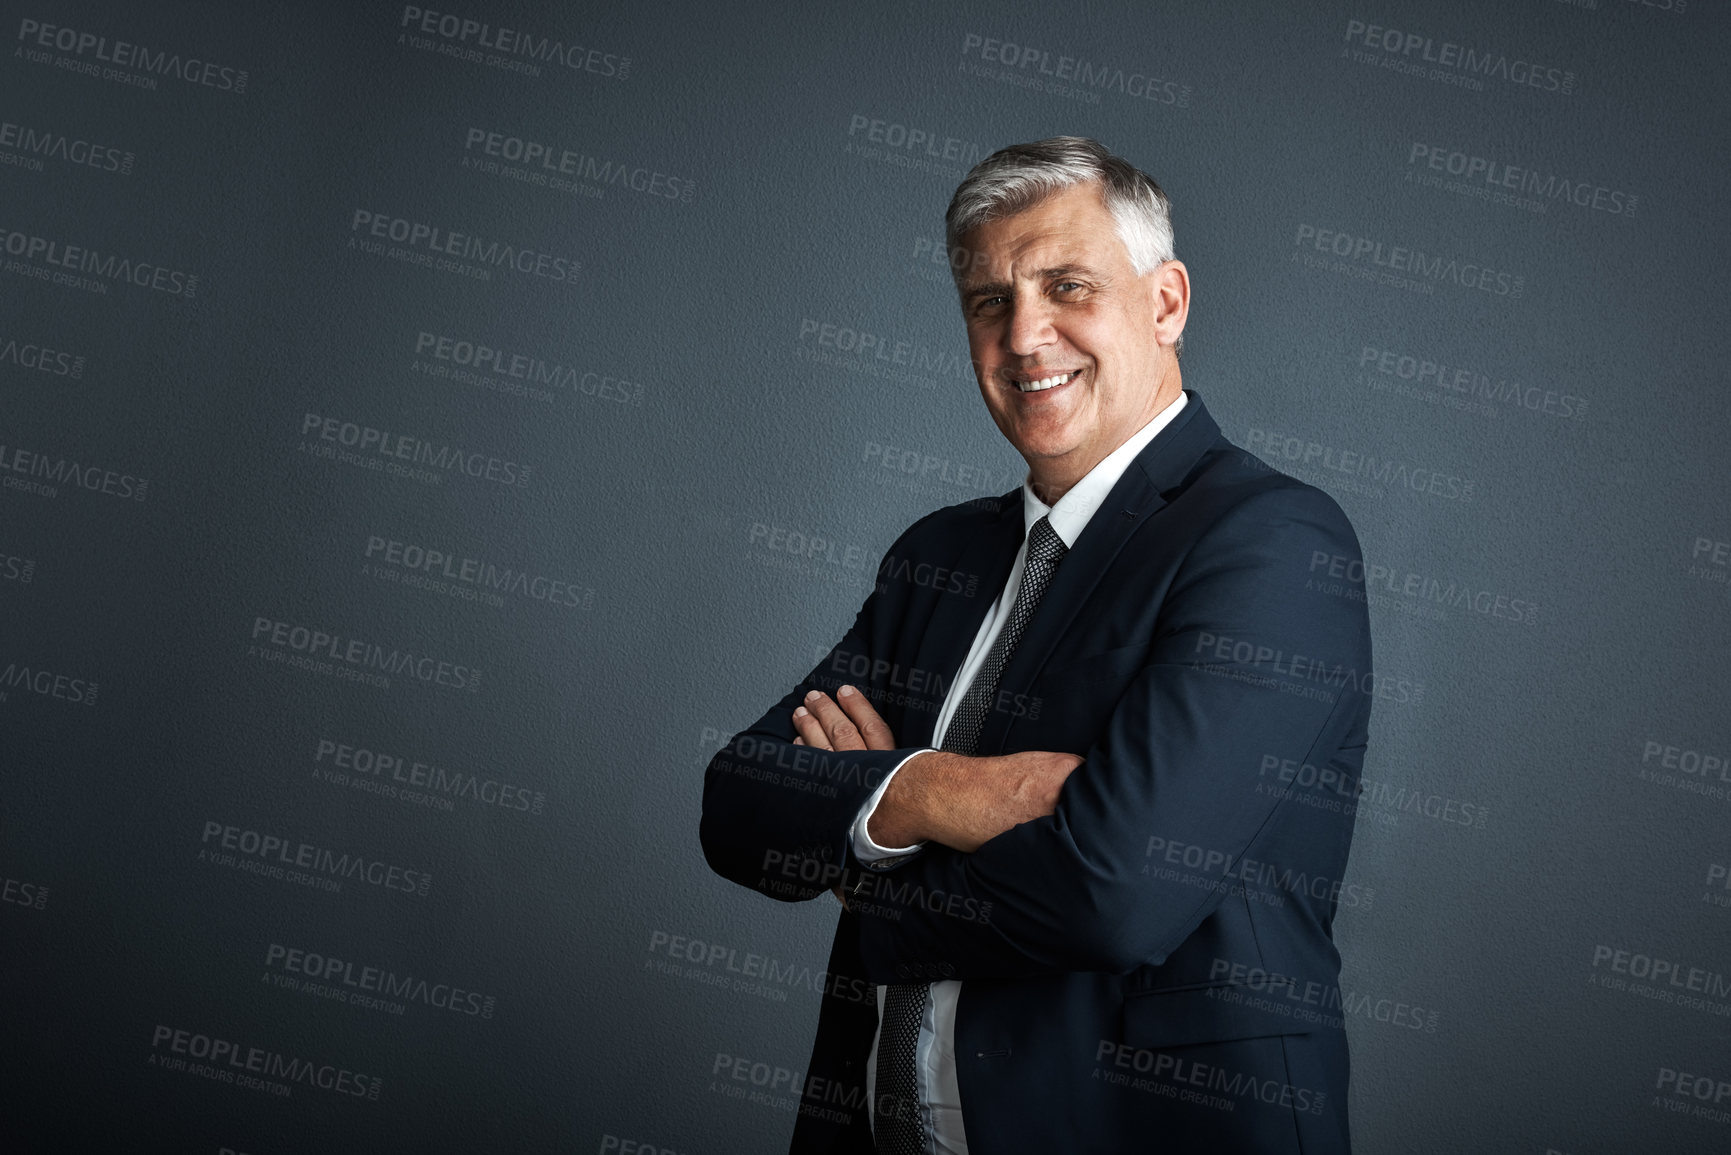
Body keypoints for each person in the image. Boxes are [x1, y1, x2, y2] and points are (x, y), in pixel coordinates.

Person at [701, 136, 1373, 1154]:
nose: (1024, 337)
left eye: (1067, 285)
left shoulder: (1270, 543)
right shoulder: (943, 553)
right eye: (988, 301)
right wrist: (936, 793)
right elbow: (739, 801)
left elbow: (1113, 896)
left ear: (1166, 303)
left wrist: (861, 854)